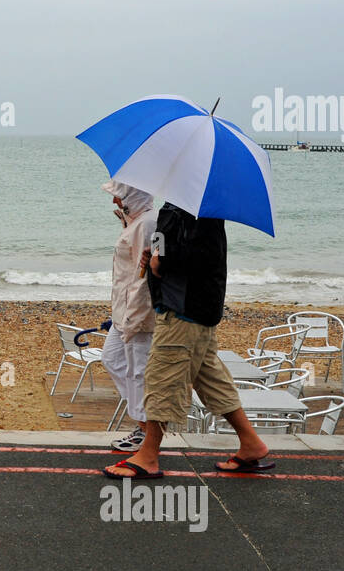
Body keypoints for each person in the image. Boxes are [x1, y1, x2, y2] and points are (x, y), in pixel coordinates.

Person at [102, 201, 272, 479]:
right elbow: (170, 243)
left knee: (161, 377)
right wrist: (155, 252)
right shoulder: (186, 208)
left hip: (183, 309)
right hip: (194, 308)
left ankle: (148, 456)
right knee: (210, 378)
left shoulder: (192, 209)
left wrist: (160, 261)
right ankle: (251, 442)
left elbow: (196, 254)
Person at [99, 180, 157, 452]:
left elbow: (143, 276)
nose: (114, 202)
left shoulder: (147, 224)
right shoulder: (135, 223)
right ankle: (143, 421)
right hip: (123, 311)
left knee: (138, 372)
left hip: (137, 313)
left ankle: (146, 430)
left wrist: (136, 315)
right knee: (111, 359)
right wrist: (125, 221)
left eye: (119, 196)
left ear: (133, 195)